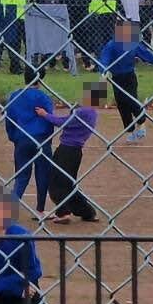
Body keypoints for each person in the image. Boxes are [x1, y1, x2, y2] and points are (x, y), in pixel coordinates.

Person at [38, 83, 103, 223]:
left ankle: (63, 213)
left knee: (56, 182)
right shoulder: (92, 112)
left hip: (66, 150)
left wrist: (45, 115)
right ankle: (87, 212)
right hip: (75, 152)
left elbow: (62, 121)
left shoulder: (84, 111)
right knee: (68, 184)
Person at [97, 19, 153, 142]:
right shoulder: (112, 45)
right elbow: (104, 59)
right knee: (121, 104)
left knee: (130, 100)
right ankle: (130, 131)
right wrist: (103, 72)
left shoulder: (131, 43)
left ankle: (141, 123)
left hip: (129, 76)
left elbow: (145, 54)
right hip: (116, 79)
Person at [3, 72, 55, 217]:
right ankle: (40, 210)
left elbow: (9, 119)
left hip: (22, 140)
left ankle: (9, 210)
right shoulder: (43, 97)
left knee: (21, 176)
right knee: (43, 174)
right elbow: (49, 118)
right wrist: (48, 139)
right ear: (40, 80)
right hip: (41, 139)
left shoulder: (15, 96)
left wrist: (13, 137)